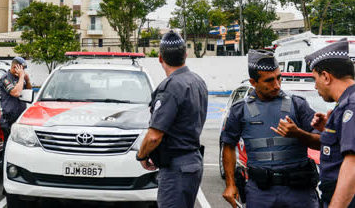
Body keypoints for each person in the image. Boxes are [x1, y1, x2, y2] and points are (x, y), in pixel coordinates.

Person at [221, 49, 320, 208]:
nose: (277, 85)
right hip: (261, 193)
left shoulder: (298, 105)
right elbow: (228, 146)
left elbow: (321, 142)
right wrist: (230, 184)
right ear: (253, 82)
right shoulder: (239, 110)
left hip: (299, 192)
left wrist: (299, 134)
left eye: (279, 78)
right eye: (269, 80)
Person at [135, 31, 208, 208]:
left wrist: (142, 155)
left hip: (177, 168)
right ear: (185, 55)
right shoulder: (197, 81)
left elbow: (154, 136)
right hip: (192, 162)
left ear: (160, 58)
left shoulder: (171, 87)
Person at [306, 38, 355, 207]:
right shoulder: (345, 105)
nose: (315, 87)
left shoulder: (351, 105)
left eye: (315, 79)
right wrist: (330, 129)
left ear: (326, 76)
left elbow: (352, 166)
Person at [0, 56, 32, 147]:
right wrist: (21, 77)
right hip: (9, 119)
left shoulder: (20, 79)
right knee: (9, 147)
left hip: (19, 118)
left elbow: (28, 90)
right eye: (22, 69)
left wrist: (27, 80)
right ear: (15, 67)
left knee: (20, 147)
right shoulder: (6, 78)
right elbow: (16, 93)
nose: (23, 71)